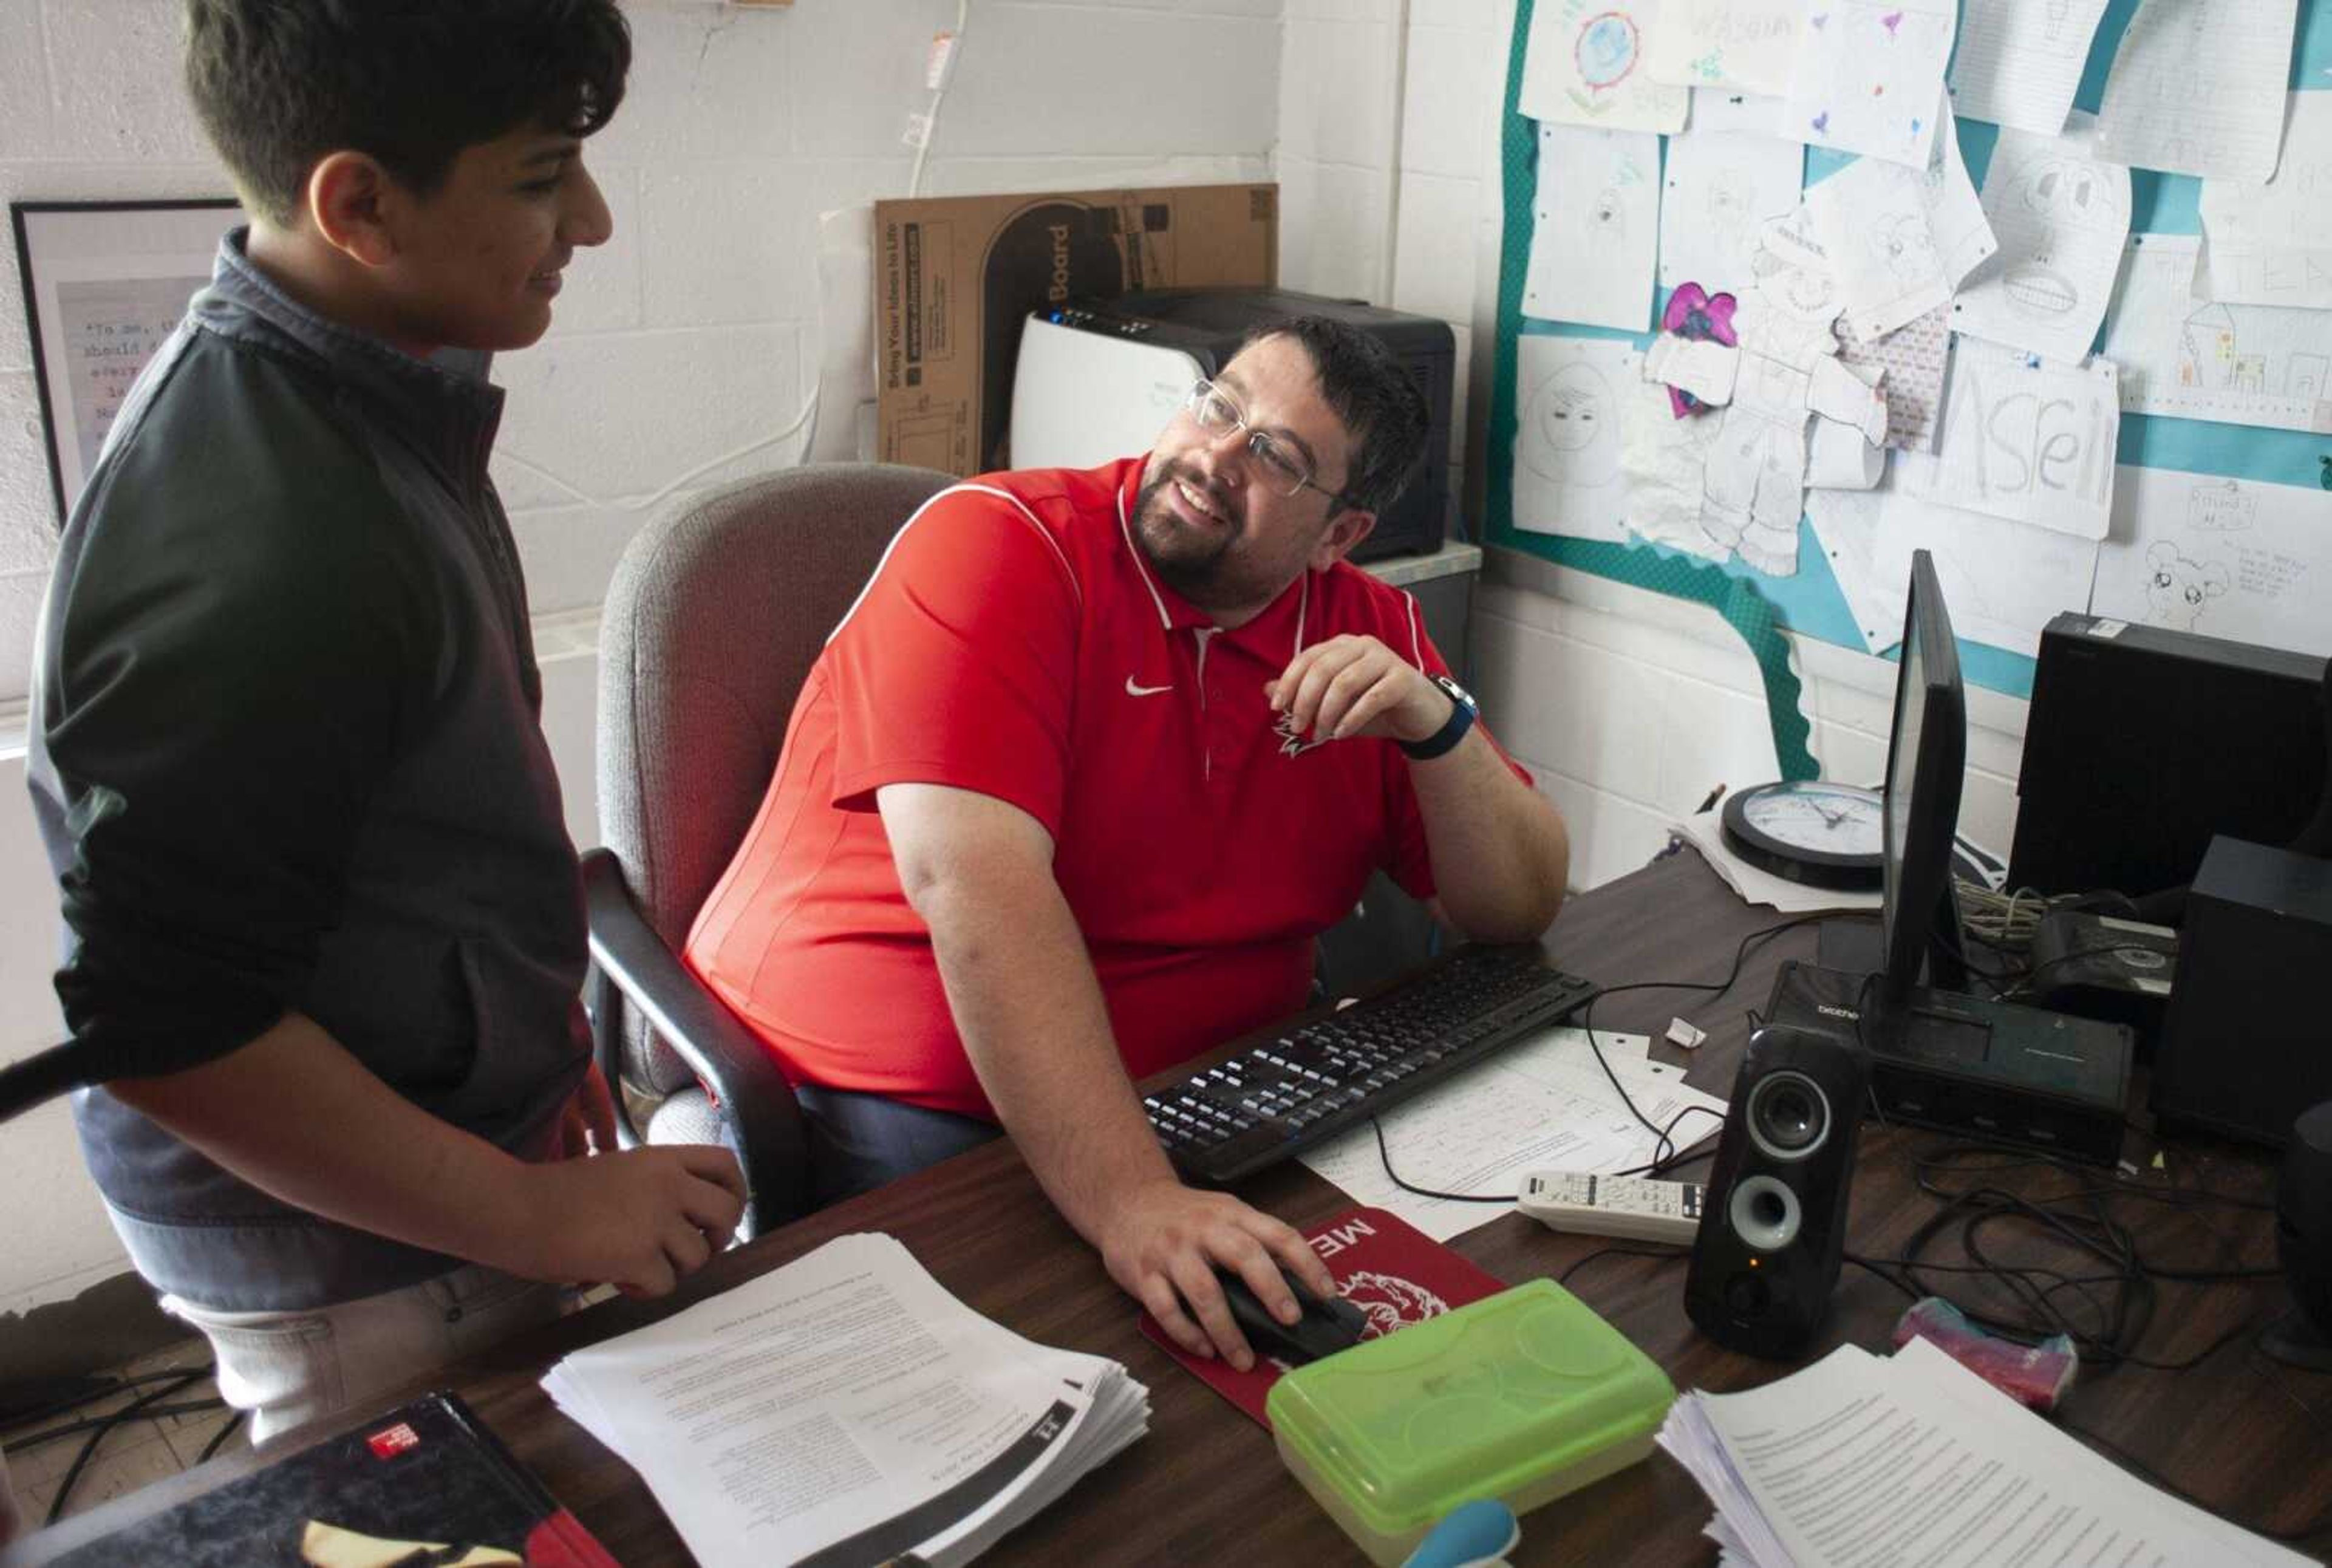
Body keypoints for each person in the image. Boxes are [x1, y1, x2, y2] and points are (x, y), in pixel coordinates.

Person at [22, 0, 744, 1446]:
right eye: (544, 175)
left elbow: (418, 834)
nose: (591, 221)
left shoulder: (369, 389)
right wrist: (530, 1214)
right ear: (358, 203)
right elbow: (172, 1030)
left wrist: (539, 1067)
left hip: (439, 1160)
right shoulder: (266, 542)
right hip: (352, 1269)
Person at [684, 317, 1570, 1371]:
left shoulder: (1364, 630)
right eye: (1222, 405)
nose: (1213, 458)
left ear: (1341, 535)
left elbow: (1515, 907)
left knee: (1418, 1334)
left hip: (1226, 1094)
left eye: (1275, 457)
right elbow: (977, 891)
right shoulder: (1000, 544)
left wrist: (1439, 729)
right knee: (1075, 1388)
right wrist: (1135, 1201)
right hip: (894, 1093)